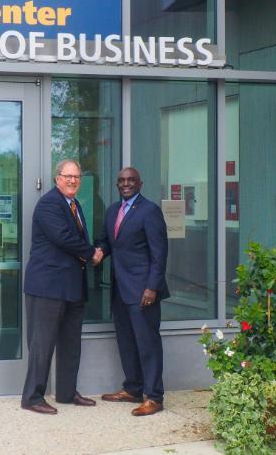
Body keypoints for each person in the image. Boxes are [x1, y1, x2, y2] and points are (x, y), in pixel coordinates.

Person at [21, 159, 104, 415]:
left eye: (76, 177)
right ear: (57, 178)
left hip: (72, 287)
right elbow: (63, 238)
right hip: (47, 287)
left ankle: (67, 393)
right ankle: (32, 397)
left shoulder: (74, 205)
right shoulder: (49, 204)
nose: (72, 180)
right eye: (68, 176)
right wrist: (91, 253)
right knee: (42, 344)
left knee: (71, 343)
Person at [95, 167, 169, 416]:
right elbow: (107, 242)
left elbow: (159, 253)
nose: (125, 184)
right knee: (126, 341)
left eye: (130, 180)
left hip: (143, 291)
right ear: (117, 184)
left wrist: (152, 287)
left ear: (140, 183)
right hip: (119, 289)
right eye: (121, 181)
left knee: (147, 343)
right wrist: (99, 252)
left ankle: (154, 396)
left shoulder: (150, 211)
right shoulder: (112, 211)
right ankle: (133, 389)